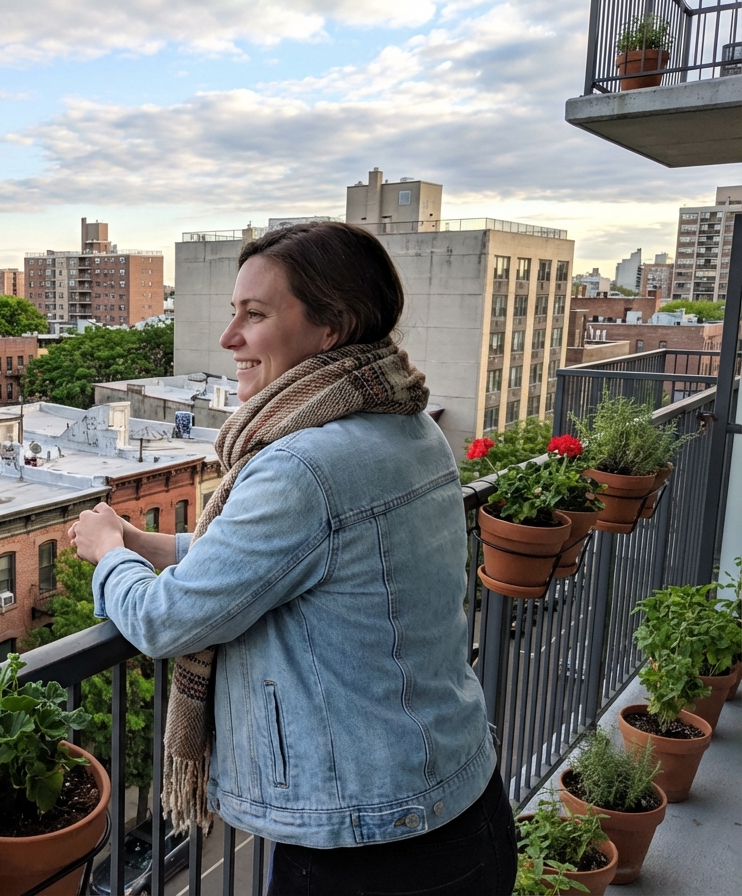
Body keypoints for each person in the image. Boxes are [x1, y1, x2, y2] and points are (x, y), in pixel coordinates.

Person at [69, 222, 516, 895]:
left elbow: (168, 622)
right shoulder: (407, 424)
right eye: (232, 313)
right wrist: (145, 543)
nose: (229, 338)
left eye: (255, 315)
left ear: (330, 326)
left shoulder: (302, 464)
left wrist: (107, 554)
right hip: (457, 800)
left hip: (368, 848)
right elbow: (289, 560)